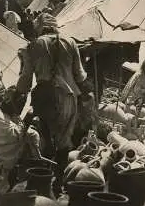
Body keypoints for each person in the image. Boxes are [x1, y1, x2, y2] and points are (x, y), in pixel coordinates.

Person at [16, 13, 90, 168]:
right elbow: (81, 76)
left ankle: (45, 174)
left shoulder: (34, 45)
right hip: (69, 97)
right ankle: (60, 178)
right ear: (56, 27)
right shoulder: (71, 42)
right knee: (64, 141)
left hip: (45, 96)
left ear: (39, 27)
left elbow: (25, 82)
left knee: (46, 138)